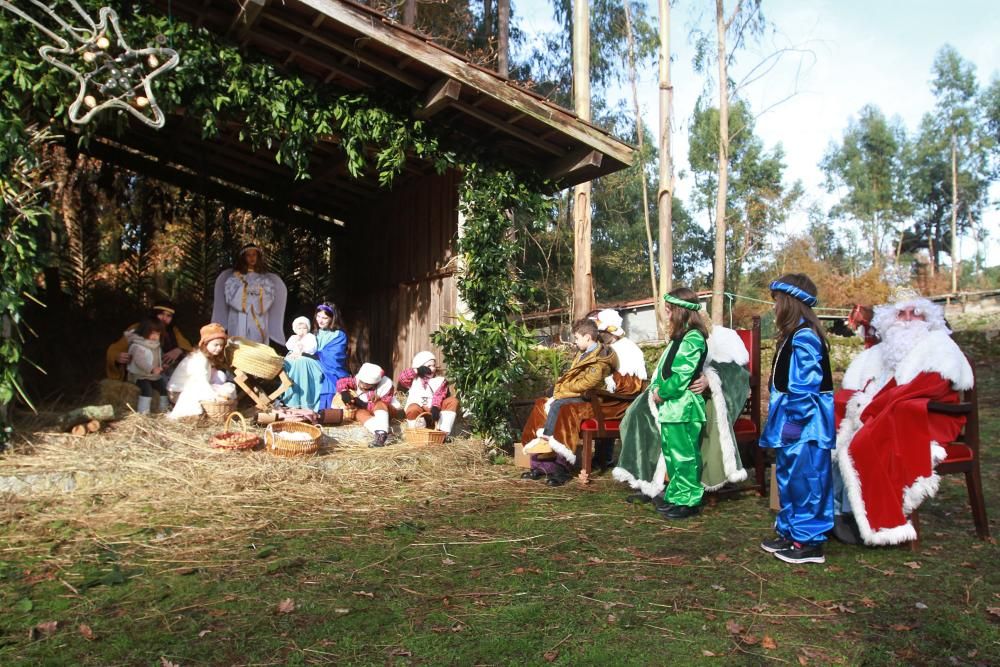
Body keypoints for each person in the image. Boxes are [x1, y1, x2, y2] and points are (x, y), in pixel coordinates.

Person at [833, 290, 973, 546]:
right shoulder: (881, 351)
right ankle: (836, 510)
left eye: (915, 314)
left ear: (928, 319)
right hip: (884, 412)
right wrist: (861, 402)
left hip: (926, 419)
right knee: (834, 421)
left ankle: (868, 519)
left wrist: (874, 406)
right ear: (889, 320)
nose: (907, 319)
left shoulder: (939, 346)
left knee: (866, 439)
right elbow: (861, 385)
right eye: (901, 314)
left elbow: (928, 388)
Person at [614, 318, 750, 502]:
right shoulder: (680, 340)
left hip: (696, 399)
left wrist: (710, 379)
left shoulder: (723, 339)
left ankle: (679, 487)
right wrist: (657, 390)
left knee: (688, 427)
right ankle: (649, 480)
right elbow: (666, 370)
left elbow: (738, 373)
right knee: (640, 412)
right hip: (673, 395)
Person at [759, 274, 835, 565]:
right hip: (790, 422)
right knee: (788, 478)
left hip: (805, 426)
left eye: (777, 301)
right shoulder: (793, 335)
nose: (774, 307)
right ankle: (791, 531)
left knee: (806, 480)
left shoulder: (805, 336)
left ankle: (809, 541)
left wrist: (796, 420)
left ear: (790, 303)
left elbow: (805, 386)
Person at [520, 319, 617, 487]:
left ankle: (560, 468)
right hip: (575, 396)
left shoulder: (600, 359)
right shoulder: (583, 353)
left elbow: (587, 384)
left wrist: (562, 390)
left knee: (562, 408)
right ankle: (541, 465)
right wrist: (560, 388)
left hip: (590, 401)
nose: (575, 341)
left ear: (588, 337)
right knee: (541, 405)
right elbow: (574, 379)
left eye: (577, 338)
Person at [643, 288, 710, 520]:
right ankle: (676, 494)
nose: (667, 315)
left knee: (685, 455)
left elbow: (681, 374)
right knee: (672, 454)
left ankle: (689, 500)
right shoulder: (680, 337)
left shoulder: (693, 337)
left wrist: (663, 392)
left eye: (670, 311)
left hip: (684, 405)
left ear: (680, 311)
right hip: (673, 407)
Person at [589, 309, 647, 469]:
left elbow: (629, 386)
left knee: (577, 408)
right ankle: (602, 458)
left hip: (622, 403)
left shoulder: (625, 349)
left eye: (601, 333)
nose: (598, 336)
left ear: (610, 333)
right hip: (614, 399)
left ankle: (563, 462)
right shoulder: (614, 346)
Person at [212, 243, 287, 345]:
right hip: (239, 316)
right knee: (238, 343)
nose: (252, 258)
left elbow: (269, 296)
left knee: (257, 341)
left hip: (257, 315)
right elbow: (230, 296)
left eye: (254, 255)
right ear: (243, 258)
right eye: (248, 255)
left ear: (258, 257)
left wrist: (256, 295)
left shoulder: (265, 279)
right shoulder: (234, 278)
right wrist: (247, 292)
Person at [105, 300, 192, 381]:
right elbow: (115, 350)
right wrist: (117, 356)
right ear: (154, 314)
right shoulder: (138, 328)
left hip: (165, 373)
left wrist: (179, 350)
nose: (164, 318)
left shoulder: (173, 331)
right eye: (161, 314)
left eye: (169, 316)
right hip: (141, 374)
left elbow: (186, 346)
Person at [167, 323, 237, 419]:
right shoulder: (199, 358)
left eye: (221, 345)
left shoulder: (206, 357)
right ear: (205, 344)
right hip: (177, 392)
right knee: (213, 393)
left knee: (221, 381)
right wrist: (214, 397)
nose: (219, 348)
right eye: (215, 345)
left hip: (192, 386)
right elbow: (201, 382)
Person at [335, 363, 402, 448]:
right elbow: (341, 382)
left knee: (380, 403)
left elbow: (386, 402)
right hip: (368, 411)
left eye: (367, 384)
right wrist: (344, 392)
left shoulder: (386, 386)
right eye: (362, 382)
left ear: (375, 383)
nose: (362, 385)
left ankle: (382, 432)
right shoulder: (358, 380)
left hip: (386, 411)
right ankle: (382, 434)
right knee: (359, 413)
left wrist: (361, 403)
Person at [397, 351, 461, 436]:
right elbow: (402, 378)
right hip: (419, 411)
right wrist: (417, 371)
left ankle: (443, 433)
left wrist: (435, 406)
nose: (433, 368)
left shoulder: (440, 380)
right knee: (412, 408)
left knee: (452, 401)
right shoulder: (414, 379)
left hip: (434, 412)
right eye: (429, 366)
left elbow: (439, 395)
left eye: (434, 365)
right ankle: (419, 434)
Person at [127, 318, 170, 414]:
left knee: (163, 388)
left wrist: (162, 365)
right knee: (147, 390)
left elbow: (156, 359)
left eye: (158, 334)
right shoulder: (138, 346)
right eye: (152, 333)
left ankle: (164, 410)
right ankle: (143, 413)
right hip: (140, 375)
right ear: (144, 332)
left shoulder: (156, 346)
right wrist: (152, 369)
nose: (155, 336)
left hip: (154, 376)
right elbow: (140, 361)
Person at [313, 303, 350, 409]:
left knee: (327, 379)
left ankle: (322, 408)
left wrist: (316, 354)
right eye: (318, 316)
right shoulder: (314, 333)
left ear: (332, 318)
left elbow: (334, 357)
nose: (320, 320)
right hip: (313, 363)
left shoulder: (339, 335)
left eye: (324, 318)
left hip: (331, 368)